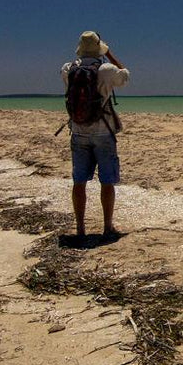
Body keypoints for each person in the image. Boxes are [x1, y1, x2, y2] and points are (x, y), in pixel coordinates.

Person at [61, 31, 130, 238]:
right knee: (107, 181)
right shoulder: (107, 70)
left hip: (78, 131)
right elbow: (125, 75)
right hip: (103, 131)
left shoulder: (67, 69)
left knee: (79, 181)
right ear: (100, 49)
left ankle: (80, 228)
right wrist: (109, 54)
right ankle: (107, 226)